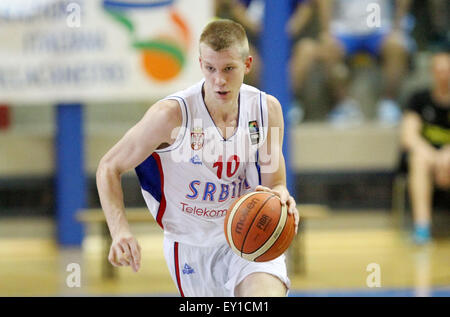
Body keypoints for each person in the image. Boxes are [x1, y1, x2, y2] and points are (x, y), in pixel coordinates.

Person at [96, 19, 299, 297]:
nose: (219, 79)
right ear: (200, 63)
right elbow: (109, 166)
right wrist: (119, 231)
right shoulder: (170, 115)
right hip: (191, 245)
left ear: (247, 64)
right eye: (210, 68)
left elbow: (274, 182)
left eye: (229, 68)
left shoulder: (266, 110)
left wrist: (281, 195)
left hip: (249, 237)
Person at [291, 0, 412, 123]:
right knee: (328, 48)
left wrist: (398, 27)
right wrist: (326, 31)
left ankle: (388, 103)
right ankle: (344, 104)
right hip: (343, 31)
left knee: (397, 46)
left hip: (380, 29)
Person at [400, 52, 450, 245]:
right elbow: (408, 137)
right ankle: (422, 228)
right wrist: (434, 157)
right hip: (427, 159)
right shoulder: (418, 99)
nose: (443, 75)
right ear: (432, 72)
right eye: (439, 70)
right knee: (418, 160)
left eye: (447, 70)